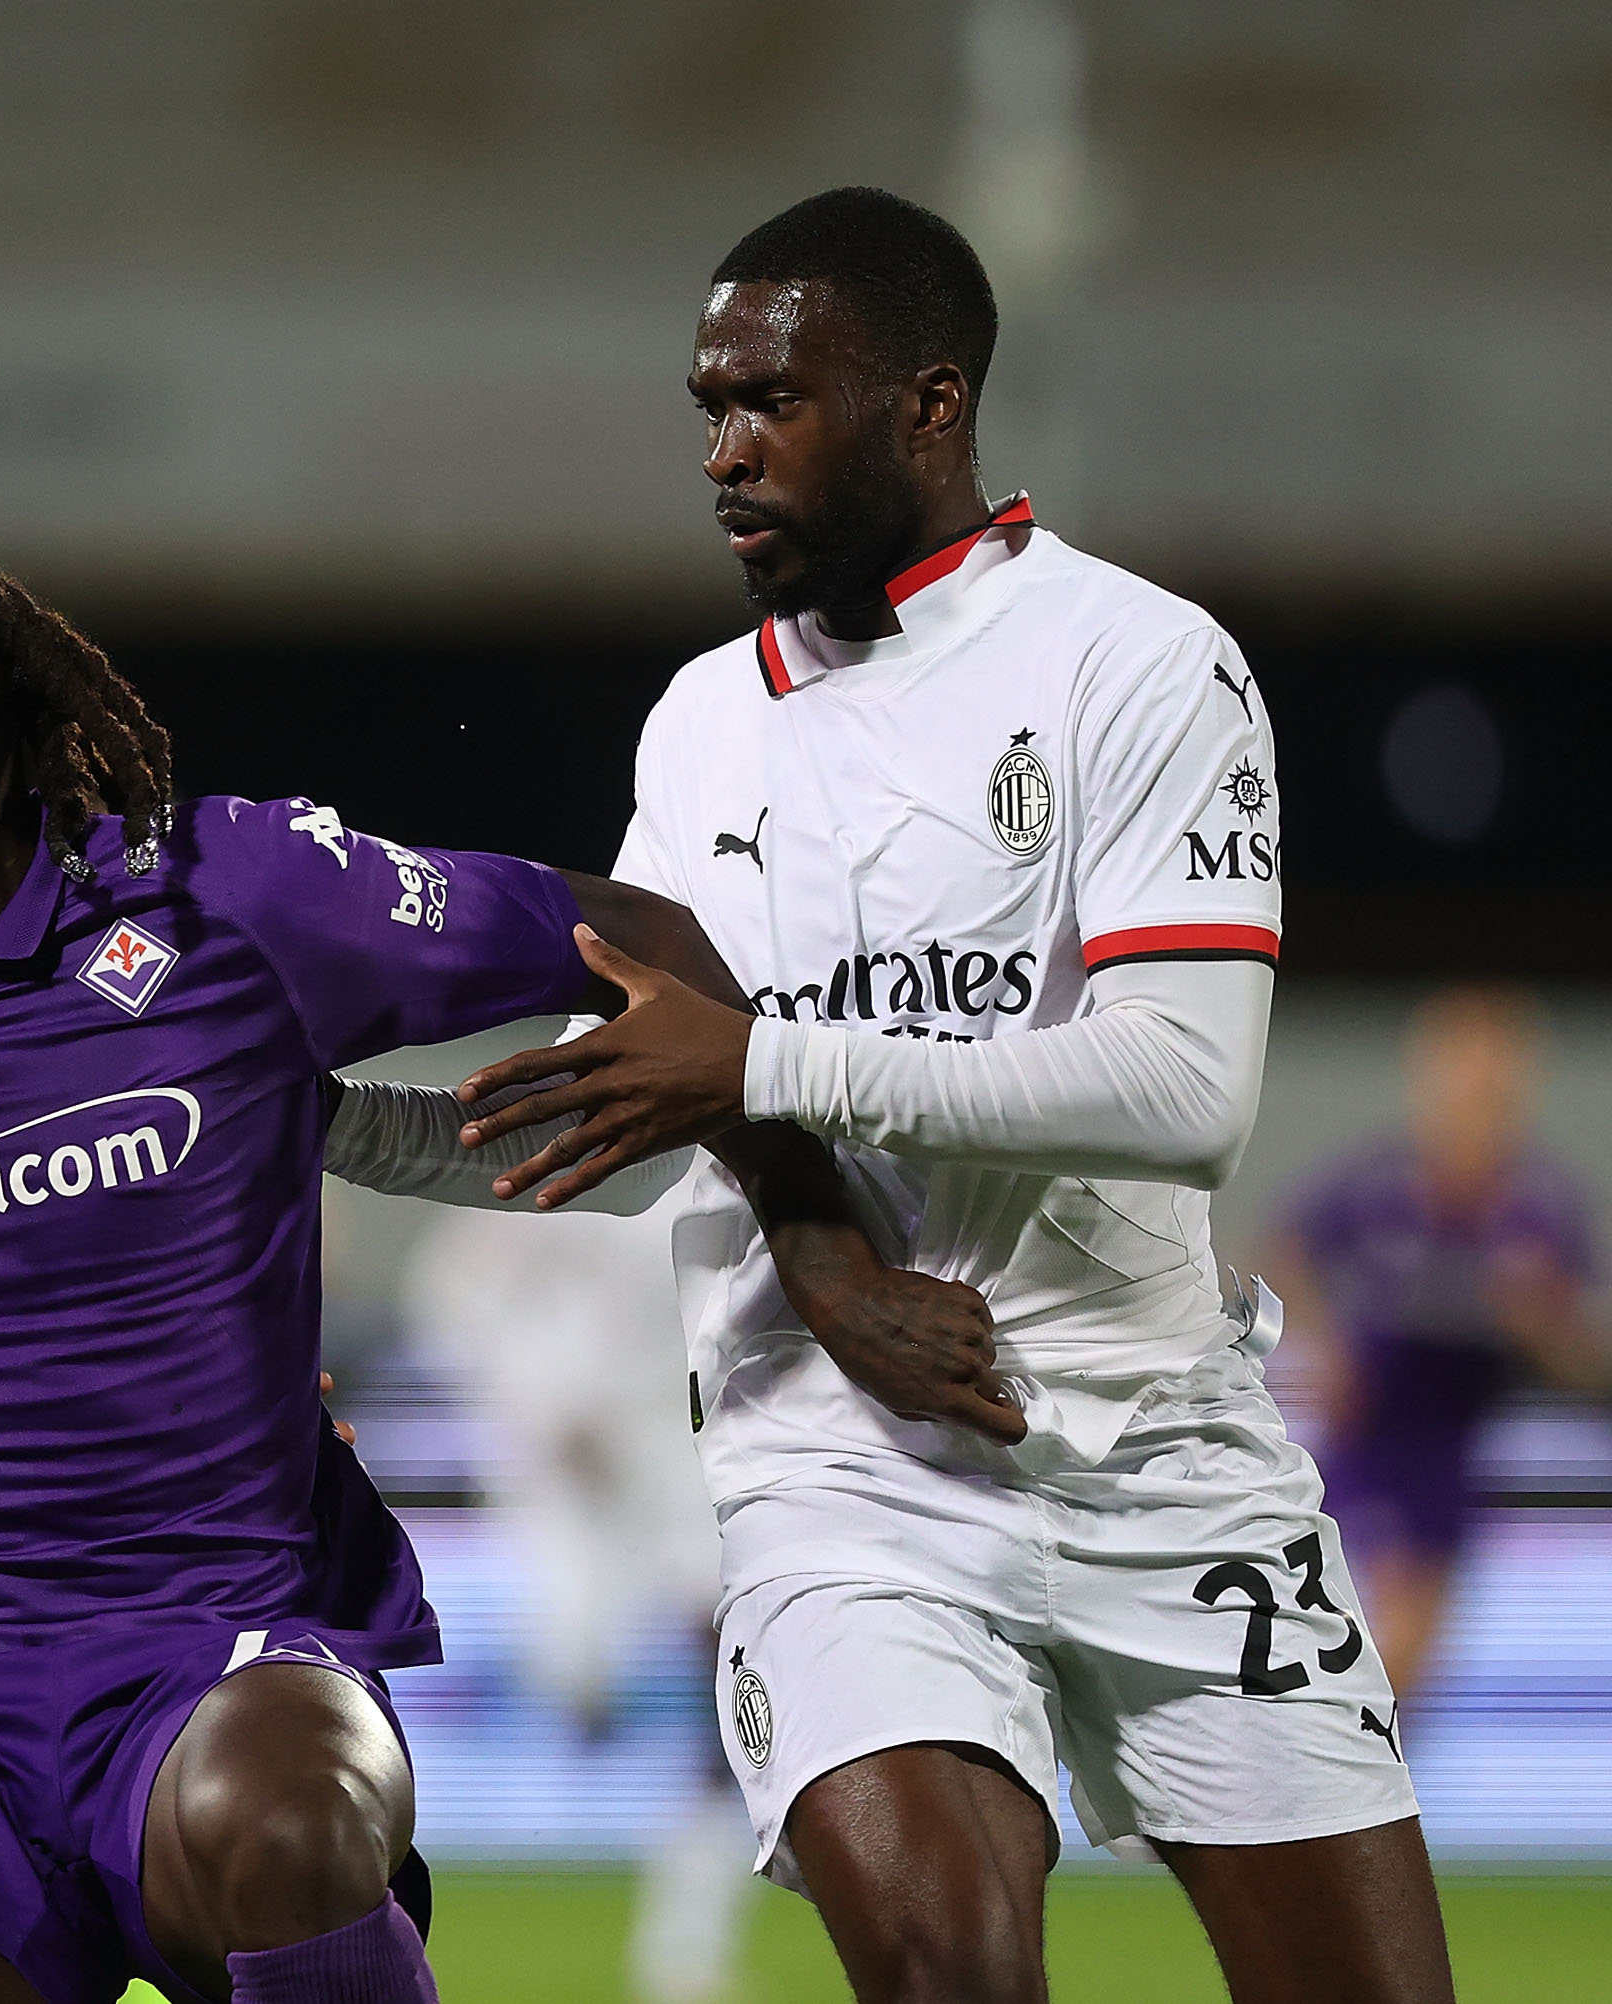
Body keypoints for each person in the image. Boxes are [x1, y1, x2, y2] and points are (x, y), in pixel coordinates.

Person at [0, 535, 995, 2004]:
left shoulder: (225, 903)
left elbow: (645, 943)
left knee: (286, 1819)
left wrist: (821, 1255)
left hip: (208, 1660)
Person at [433, 188, 1452, 2004]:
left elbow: (1183, 1086)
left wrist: (763, 1058)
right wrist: (282, 1113)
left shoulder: (1139, 664)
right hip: (840, 1464)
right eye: (706, 408)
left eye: (768, 404)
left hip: (1164, 1452)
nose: (723, 453)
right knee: (948, 1963)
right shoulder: (698, 725)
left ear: (929, 402)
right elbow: (632, 1111)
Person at [399, 1185, 751, 2004]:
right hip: (562, 1489)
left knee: (731, 1699)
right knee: (578, 1688)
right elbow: (448, 1303)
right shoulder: (517, 1185)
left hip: (682, 1462)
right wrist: (537, 1408)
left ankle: (683, 1952)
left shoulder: (710, 1171)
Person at [1267, 987, 1603, 1697]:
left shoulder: (1540, 1205)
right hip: (1365, 1437)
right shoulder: (1375, 1183)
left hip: (1449, 1455)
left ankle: (1368, 1790)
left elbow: (1585, 1365)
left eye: (1494, 1085)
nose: (1475, 1103)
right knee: (1328, 1631)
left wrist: (1541, 1323)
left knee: (1410, 1663)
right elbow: (1283, 1254)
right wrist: (1323, 1348)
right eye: (1462, 1079)